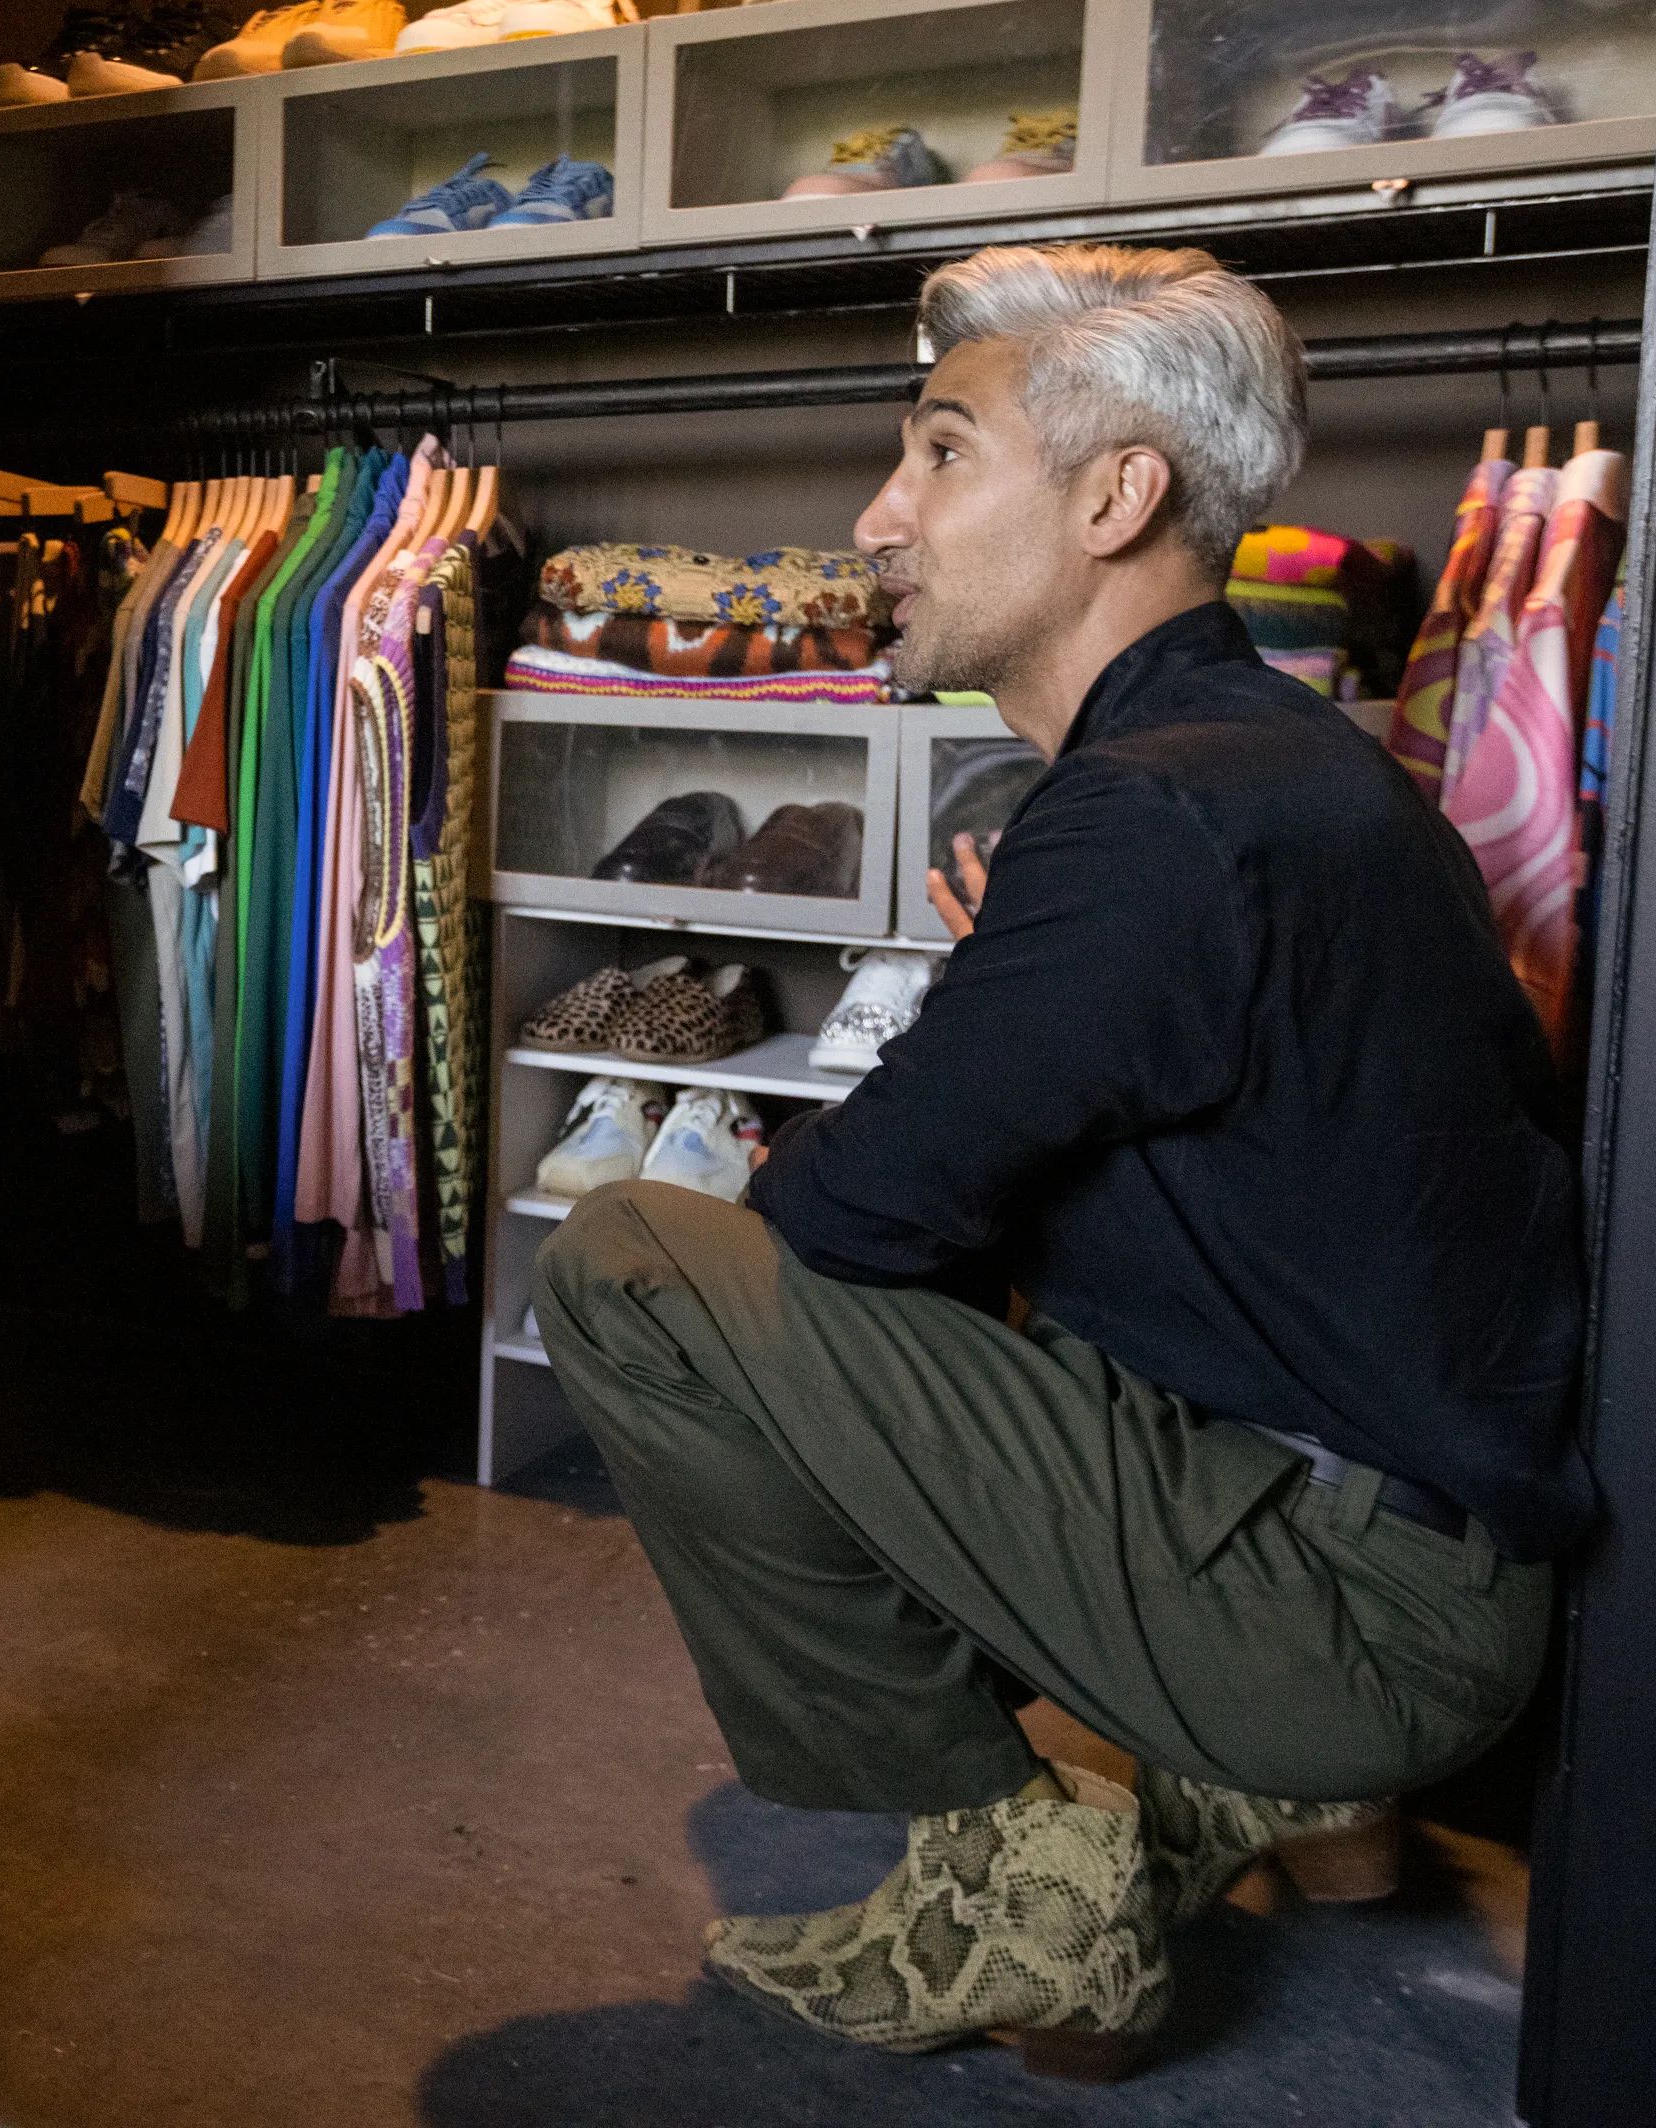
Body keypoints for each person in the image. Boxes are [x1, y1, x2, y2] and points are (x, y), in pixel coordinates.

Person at [530, 244, 1589, 2079]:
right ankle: (1279, 1797)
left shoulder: (1151, 820)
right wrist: (1013, 998)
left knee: (635, 1266)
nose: (878, 518)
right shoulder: (1259, 765)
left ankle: (1020, 1868)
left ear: (1116, 497)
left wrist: (968, 1045)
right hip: (1395, 1537)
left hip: (1351, 1611)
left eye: (941, 455)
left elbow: (853, 1222)